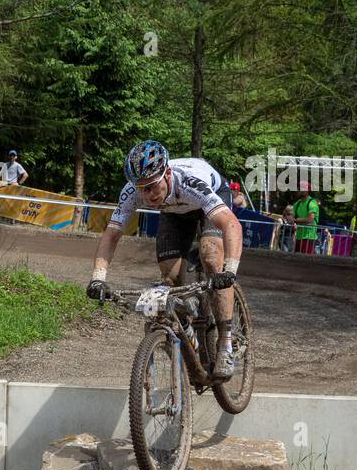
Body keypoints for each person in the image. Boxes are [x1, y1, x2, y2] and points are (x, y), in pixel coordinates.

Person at [87, 140, 244, 381]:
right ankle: (187, 330)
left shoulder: (190, 182)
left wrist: (230, 270)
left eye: (151, 186)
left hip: (207, 202)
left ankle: (226, 342)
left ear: (167, 173)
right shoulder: (133, 192)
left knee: (211, 257)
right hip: (173, 213)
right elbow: (112, 234)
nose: (147, 194)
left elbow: (231, 223)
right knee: (170, 279)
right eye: (141, 188)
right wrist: (98, 279)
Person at [285, 181, 321, 254]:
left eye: (303, 188)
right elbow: (290, 217)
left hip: (309, 237)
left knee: (307, 261)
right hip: (298, 237)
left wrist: (295, 220)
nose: (300, 190)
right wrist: (291, 218)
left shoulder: (312, 203)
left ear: (308, 190)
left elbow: (309, 219)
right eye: (299, 188)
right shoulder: (297, 204)